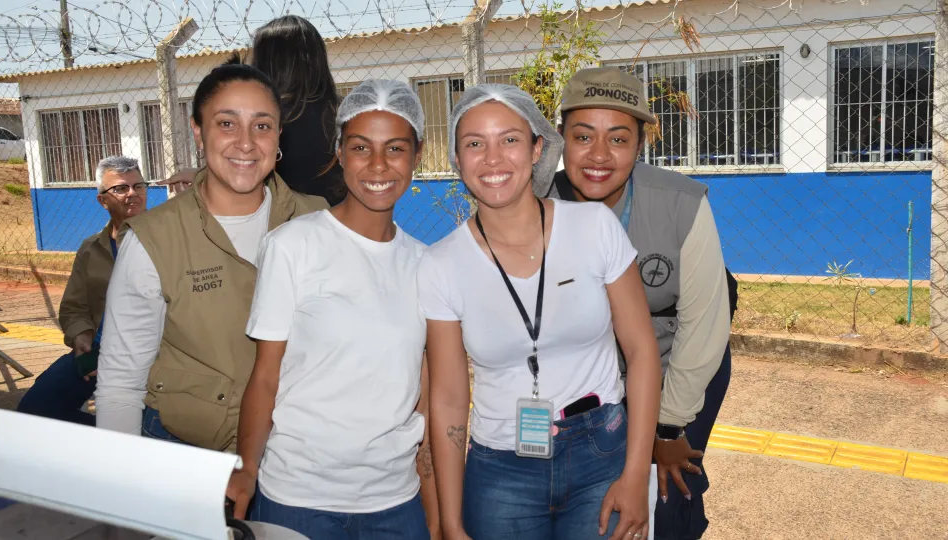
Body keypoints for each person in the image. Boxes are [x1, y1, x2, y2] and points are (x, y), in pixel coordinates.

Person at [418, 84, 663, 540]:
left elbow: (642, 349)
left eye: (509, 139)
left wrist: (634, 475)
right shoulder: (440, 265)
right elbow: (449, 398)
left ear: (536, 149)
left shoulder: (594, 227)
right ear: (457, 159)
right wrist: (451, 522)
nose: (493, 159)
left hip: (601, 450)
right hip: (500, 470)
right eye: (475, 144)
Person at [224, 79, 439, 539]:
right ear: (340, 153)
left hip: (393, 502)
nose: (378, 165)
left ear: (417, 156)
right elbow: (265, 376)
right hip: (298, 497)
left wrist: (433, 499)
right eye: (361, 147)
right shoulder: (293, 246)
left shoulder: (426, 264)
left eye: (395, 148)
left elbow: (422, 391)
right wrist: (245, 469)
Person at [93, 56, 329, 451]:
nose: (246, 142)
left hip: (299, 458)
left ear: (279, 135)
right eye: (226, 123)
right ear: (198, 133)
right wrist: (125, 487)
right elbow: (121, 381)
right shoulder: (154, 240)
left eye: (262, 125)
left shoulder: (319, 220)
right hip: (190, 455)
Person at [547, 66, 734, 540]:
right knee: (597, 499)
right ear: (560, 139)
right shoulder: (534, 203)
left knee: (667, 492)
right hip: (590, 373)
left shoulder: (682, 202)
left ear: (641, 145)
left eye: (618, 139)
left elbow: (706, 324)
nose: (598, 156)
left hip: (678, 361)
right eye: (582, 136)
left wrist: (667, 430)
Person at [16, 156, 148, 426]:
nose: (133, 194)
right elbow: (74, 307)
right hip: (100, 350)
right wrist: (82, 338)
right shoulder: (91, 249)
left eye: (139, 186)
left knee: (138, 419)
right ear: (103, 200)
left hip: (154, 354)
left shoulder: (168, 240)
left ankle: (125, 437)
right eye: (121, 188)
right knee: (35, 409)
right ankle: (101, 439)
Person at [161, 16, 345, 206]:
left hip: (285, 223)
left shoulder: (273, 118)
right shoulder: (340, 112)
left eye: (256, 56)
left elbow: (251, 176)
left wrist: (200, 176)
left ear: (271, 63)